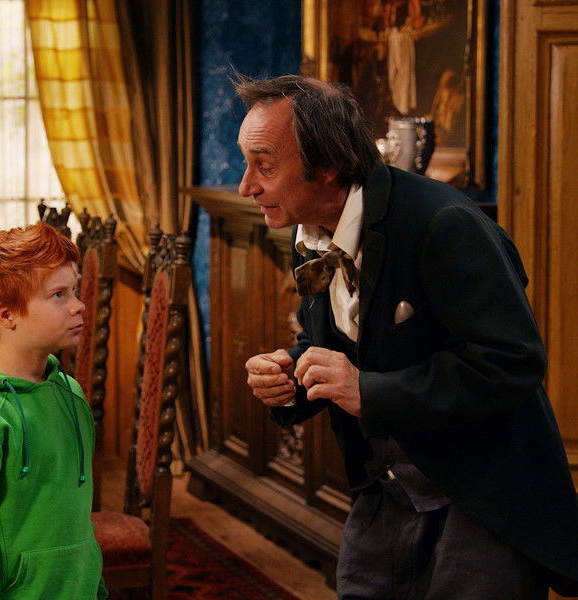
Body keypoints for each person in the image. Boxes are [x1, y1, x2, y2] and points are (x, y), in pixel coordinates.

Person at [237, 74, 578, 599]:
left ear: (328, 166)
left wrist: (368, 391)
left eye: (264, 166)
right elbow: (350, 344)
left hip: (481, 497)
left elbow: (512, 361)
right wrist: (292, 374)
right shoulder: (308, 231)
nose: (247, 186)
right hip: (384, 493)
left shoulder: (443, 222)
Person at [0, 221, 107, 599]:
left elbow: (78, 519)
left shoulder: (71, 394)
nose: (78, 305)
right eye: (58, 295)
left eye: (74, 290)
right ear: (6, 315)